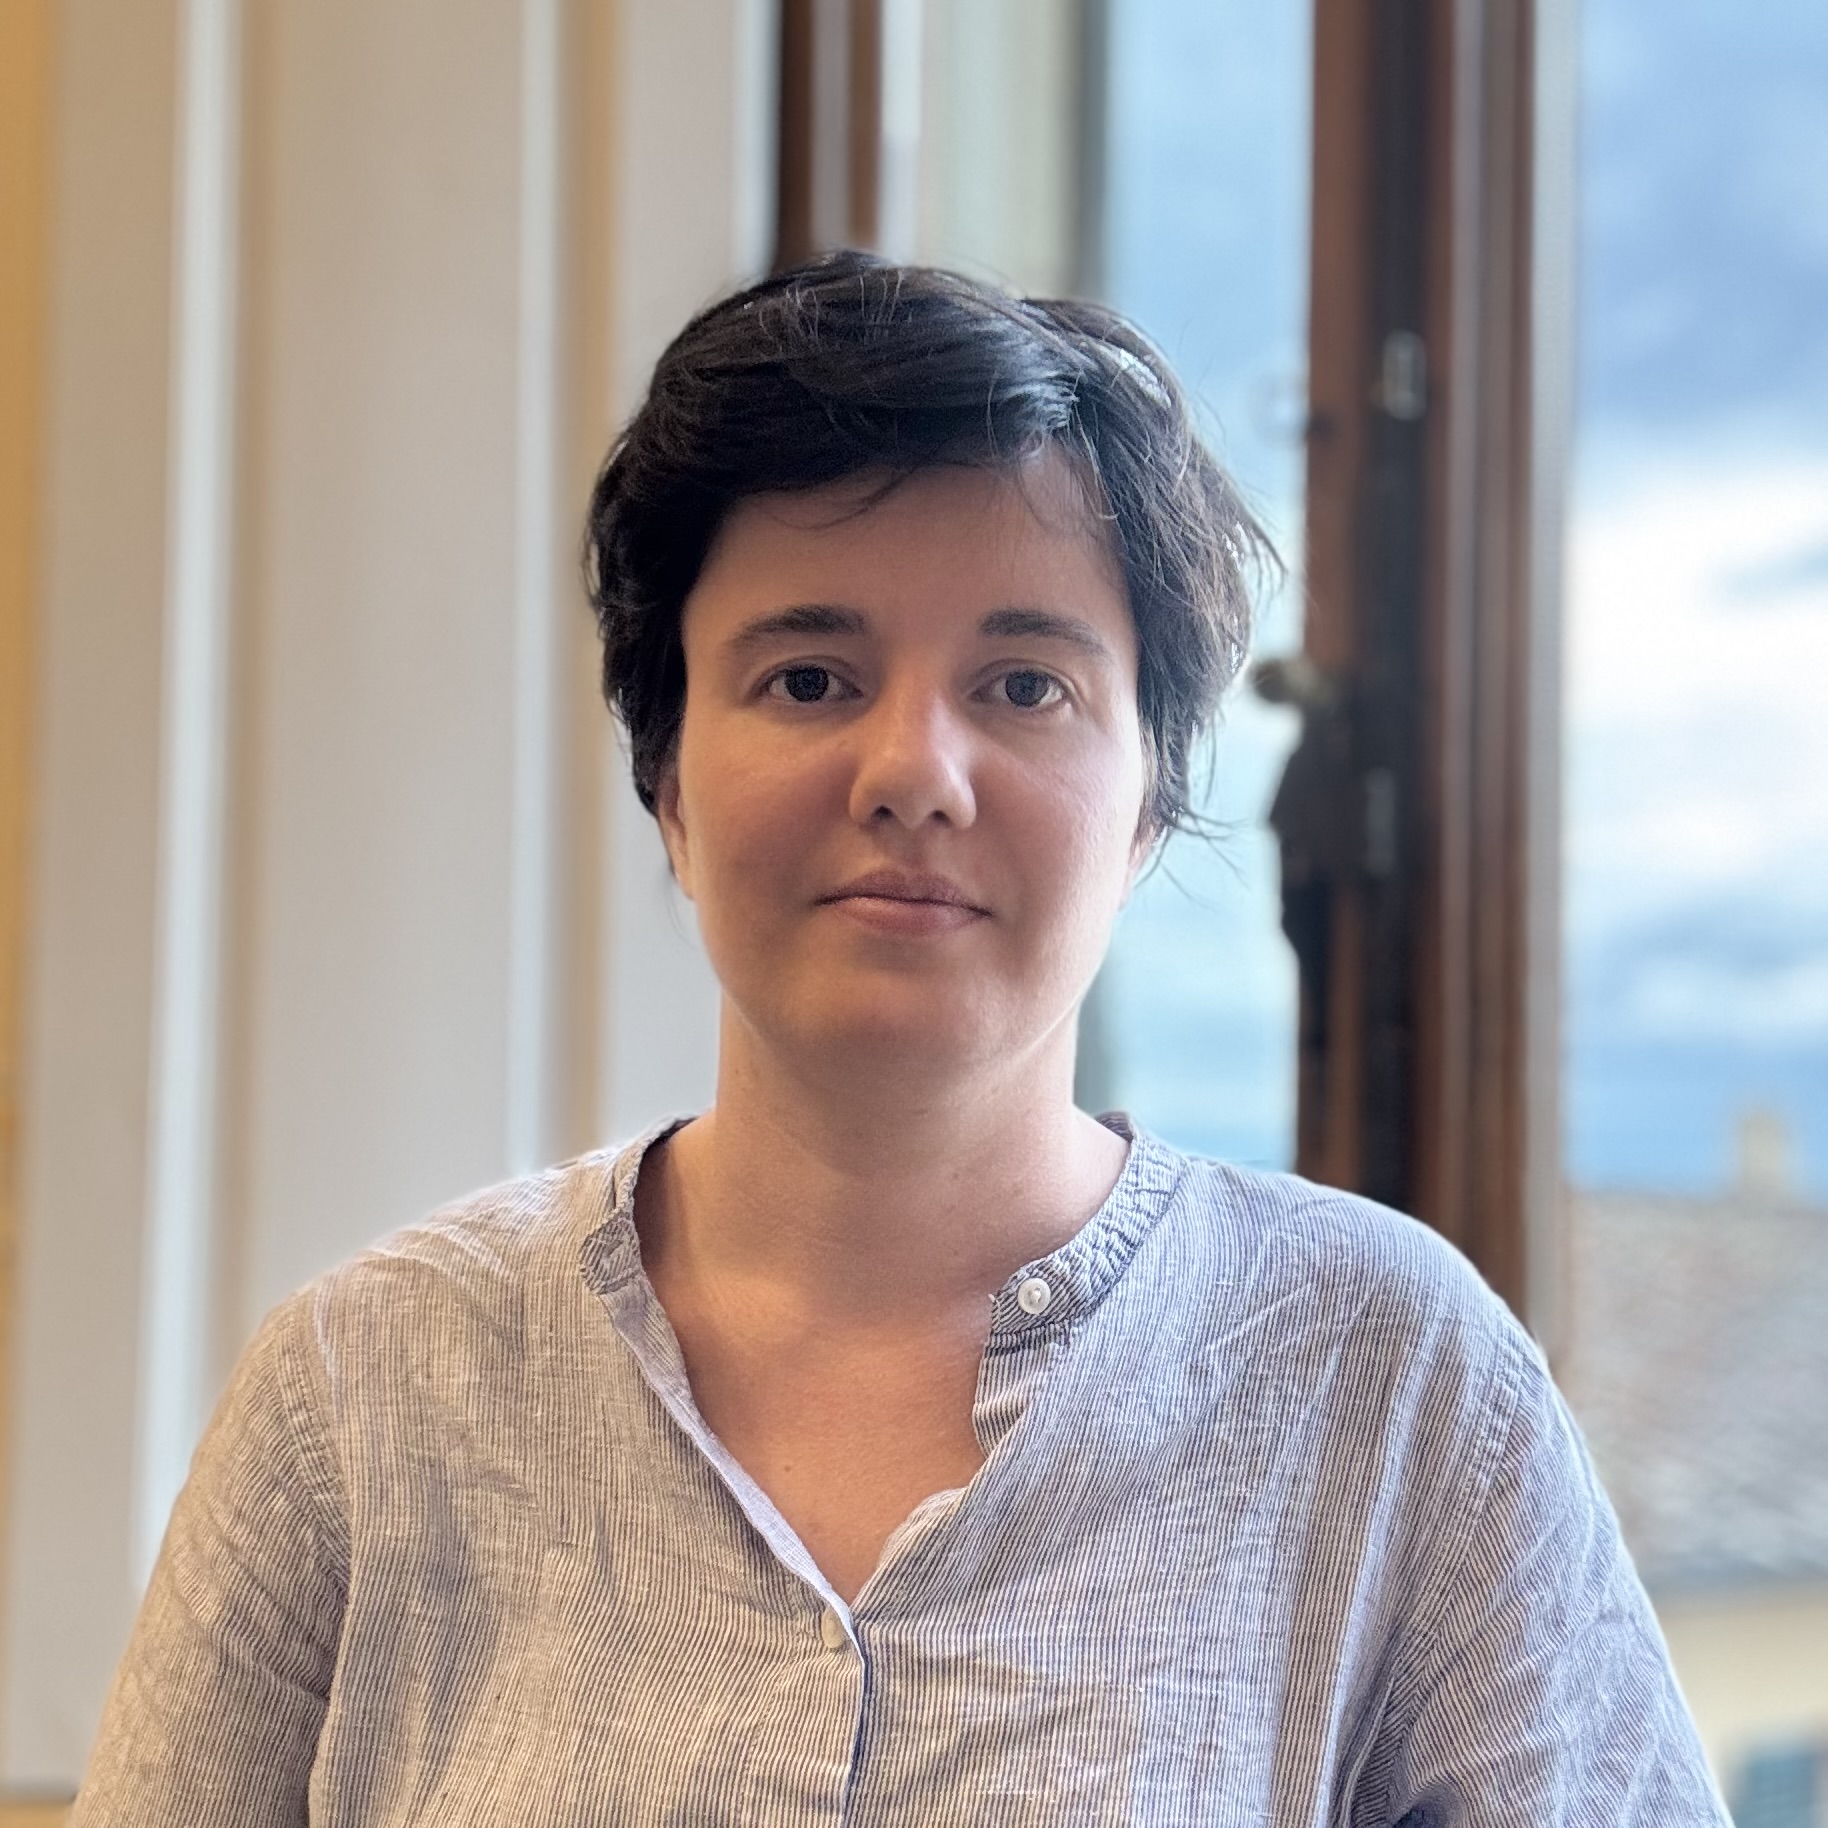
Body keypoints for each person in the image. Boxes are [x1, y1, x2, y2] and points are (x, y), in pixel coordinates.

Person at [73, 252, 1727, 1824]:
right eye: (807, 679)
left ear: (1147, 810)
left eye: (1025, 687)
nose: (913, 773)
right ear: (667, 783)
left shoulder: (1389, 1373)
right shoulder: (363, 1391)